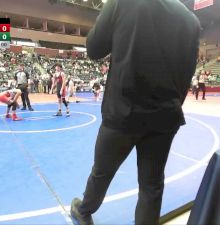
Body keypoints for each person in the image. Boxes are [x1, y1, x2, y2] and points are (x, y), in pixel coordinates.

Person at [69, 0, 200, 224]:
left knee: (102, 172)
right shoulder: (190, 20)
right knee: (152, 184)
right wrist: (171, 103)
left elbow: (94, 49)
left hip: (123, 110)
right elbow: (188, 71)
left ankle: (84, 211)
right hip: (165, 113)